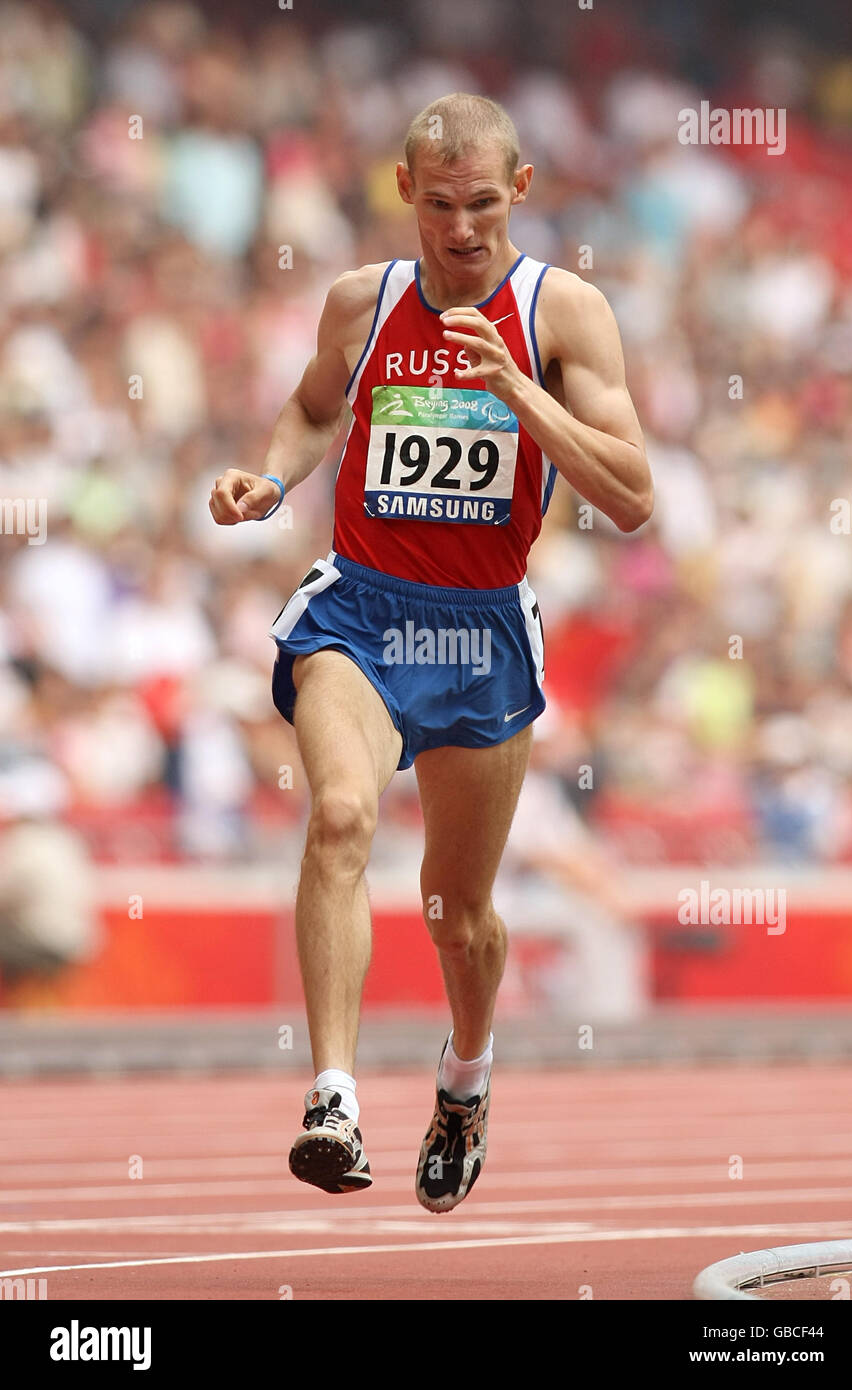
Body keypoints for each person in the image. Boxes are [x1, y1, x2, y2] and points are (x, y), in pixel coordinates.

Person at [210, 93, 653, 1212]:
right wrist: (270, 477)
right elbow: (313, 412)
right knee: (343, 815)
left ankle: (465, 1075)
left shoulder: (565, 313)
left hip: (480, 629)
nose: (462, 229)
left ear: (525, 191)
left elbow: (633, 495)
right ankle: (332, 1095)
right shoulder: (364, 303)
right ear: (404, 192)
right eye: (441, 204)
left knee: (458, 909)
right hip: (358, 610)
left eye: (485, 204)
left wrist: (517, 392)